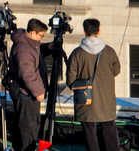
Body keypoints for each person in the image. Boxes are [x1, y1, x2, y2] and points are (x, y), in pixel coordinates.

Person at [66, 19, 121, 151]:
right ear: (99, 31)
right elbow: (116, 71)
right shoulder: (109, 51)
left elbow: (70, 80)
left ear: (84, 32)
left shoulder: (77, 53)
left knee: (89, 133)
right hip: (106, 99)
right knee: (110, 131)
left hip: (85, 99)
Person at [8, 19, 54, 151]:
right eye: (40, 35)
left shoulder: (29, 44)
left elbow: (37, 53)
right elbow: (26, 74)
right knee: (28, 128)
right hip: (26, 94)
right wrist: (38, 91)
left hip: (27, 94)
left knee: (26, 127)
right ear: (33, 33)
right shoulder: (24, 49)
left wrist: (50, 47)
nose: (41, 38)